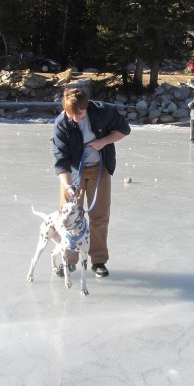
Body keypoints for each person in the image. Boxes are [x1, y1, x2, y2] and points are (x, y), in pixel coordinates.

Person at [52, 87, 131, 278]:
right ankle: (69, 261)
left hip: (99, 169)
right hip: (73, 172)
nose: (76, 119)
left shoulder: (103, 112)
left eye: (79, 114)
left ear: (86, 107)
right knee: (68, 218)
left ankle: (98, 261)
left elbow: (124, 130)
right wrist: (67, 184)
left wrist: (103, 142)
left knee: (99, 216)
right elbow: (60, 160)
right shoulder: (61, 123)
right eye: (72, 115)